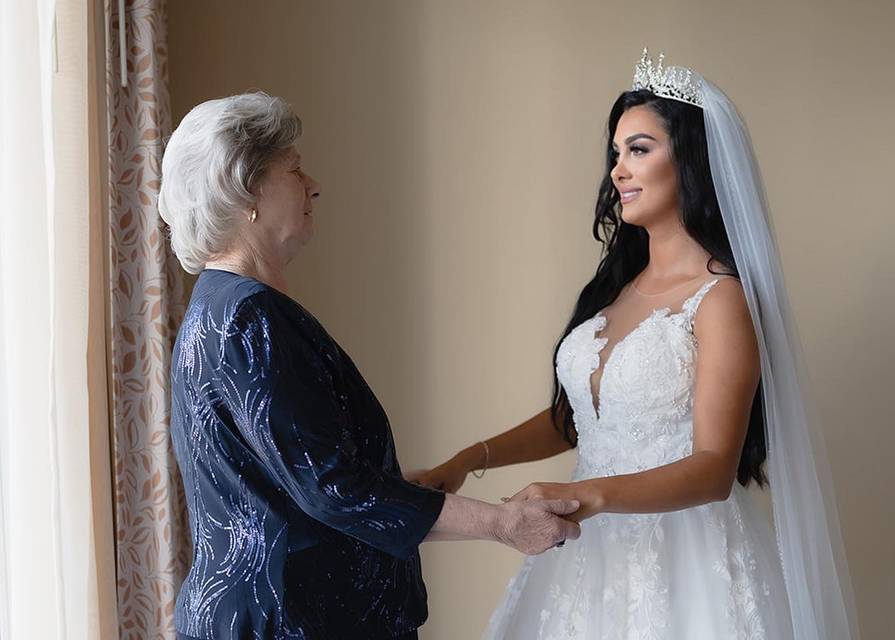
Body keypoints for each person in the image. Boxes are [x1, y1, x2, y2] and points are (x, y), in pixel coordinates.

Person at [410, 50, 860, 639]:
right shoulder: (616, 289)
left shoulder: (719, 299)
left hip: (687, 558)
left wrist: (583, 494)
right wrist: (466, 461)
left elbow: (712, 469)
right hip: (584, 555)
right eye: (616, 153)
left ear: (692, 162)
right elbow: (582, 423)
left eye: (640, 149)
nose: (618, 170)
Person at [158, 92, 581, 640]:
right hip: (292, 623)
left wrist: (401, 488)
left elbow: (287, 479)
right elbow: (334, 488)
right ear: (247, 191)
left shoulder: (218, 308)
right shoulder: (249, 319)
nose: (313, 185)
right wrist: (503, 524)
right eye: (294, 169)